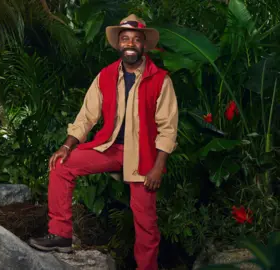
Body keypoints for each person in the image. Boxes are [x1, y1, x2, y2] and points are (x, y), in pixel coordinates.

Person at [28, 14, 179, 270]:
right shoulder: (106, 76)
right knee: (61, 165)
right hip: (109, 148)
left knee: (145, 222)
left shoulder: (160, 80)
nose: (130, 43)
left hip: (143, 156)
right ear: (119, 44)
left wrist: (158, 166)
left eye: (135, 39)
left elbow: (168, 128)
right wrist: (66, 146)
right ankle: (61, 235)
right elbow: (86, 117)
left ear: (143, 45)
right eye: (125, 39)